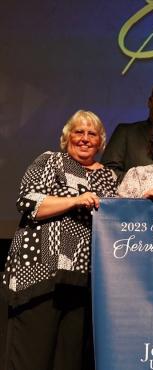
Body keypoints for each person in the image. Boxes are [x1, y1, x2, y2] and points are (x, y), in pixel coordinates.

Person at [1, 110, 117, 370]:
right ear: (67, 137)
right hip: (42, 272)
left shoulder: (109, 177)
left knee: (69, 358)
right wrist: (75, 200)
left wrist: (149, 197)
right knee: (32, 354)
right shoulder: (51, 160)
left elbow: (122, 214)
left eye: (92, 133)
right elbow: (29, 202)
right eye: (78, 132)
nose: (85, 138)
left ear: (101, 142)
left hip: (83, 279)